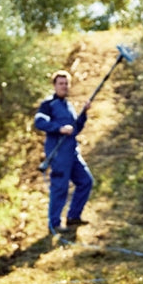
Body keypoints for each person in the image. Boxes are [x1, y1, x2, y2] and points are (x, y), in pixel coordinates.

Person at [34, 70, 93, 233]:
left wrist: (83, 114)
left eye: (66, 83)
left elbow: (75, 129)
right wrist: (59, 128)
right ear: (54, 85)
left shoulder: (69, 106)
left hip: (73, 153)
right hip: (58, 154)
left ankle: (73, 217)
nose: (64, 86)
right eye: (61, 83)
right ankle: (54, 224)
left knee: (86, 181)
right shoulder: (48, 104)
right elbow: (39, 122)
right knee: (60, 188)